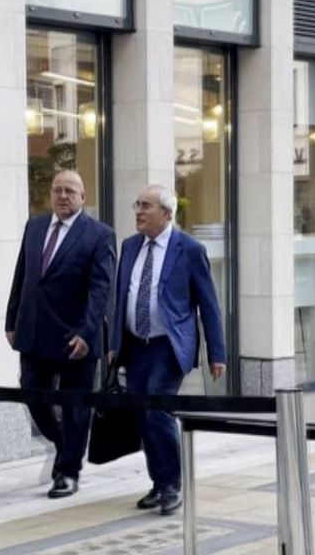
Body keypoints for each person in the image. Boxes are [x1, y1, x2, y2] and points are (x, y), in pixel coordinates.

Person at [109, 184, 227, 516]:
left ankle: (172, 484)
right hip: (135, 346)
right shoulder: (130, 246)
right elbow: (122, 297)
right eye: (137, 205)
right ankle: (159, 483)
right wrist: (114, 344)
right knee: (142, 415)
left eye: (146, 206)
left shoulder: (188, 249)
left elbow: (209, 304)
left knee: (157, 410)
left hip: (169, 346)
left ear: (167, 213)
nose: (139, 212)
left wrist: (217, 353)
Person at [5, 171, 115, 499]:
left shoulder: (99, 235)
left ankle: (68, 472)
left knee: (75, 407)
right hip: (34, 330)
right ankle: (64, 443)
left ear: (83, 197)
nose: (63, 196)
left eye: (70, 191)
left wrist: (87, 332)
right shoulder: (35, 226)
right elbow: (22, 275)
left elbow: (101, 291)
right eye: (57, 190)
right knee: (32, 394)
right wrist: (11, 320)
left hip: (75, 338)